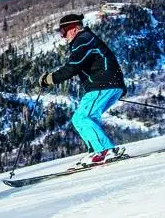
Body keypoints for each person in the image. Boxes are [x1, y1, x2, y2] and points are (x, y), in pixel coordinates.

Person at [39, 13, 127, 167]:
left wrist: (49, 79)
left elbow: (73, 66)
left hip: (102, 85)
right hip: (108, 85)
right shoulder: (87, 39)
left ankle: (105, 151)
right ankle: (96, 152)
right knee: (90, 118)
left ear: (72, 28)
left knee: (81, 118)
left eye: (63, 32)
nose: (62, 36)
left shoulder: (83, 40)